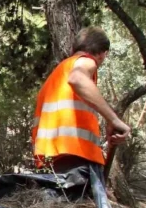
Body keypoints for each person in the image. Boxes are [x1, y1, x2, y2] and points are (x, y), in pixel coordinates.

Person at [31, 27, 131, 173]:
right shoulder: (86, 61)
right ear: (102, 54)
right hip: (74, 155)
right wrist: (113, 120)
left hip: (50, 161)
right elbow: (77, 79)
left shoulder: (57, 73)